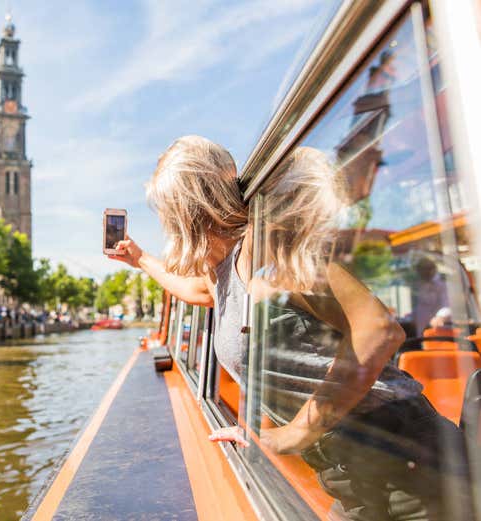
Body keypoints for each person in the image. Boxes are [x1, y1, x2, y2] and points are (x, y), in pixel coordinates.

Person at [110, 137, 470, 520]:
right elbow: (193, 291)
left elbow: (378, 329)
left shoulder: (267, 247)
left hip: (405, 459)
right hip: (351, 468)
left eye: (167, 210)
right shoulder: (222, 273)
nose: (167, 222)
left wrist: (295, 432)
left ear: (190, 208)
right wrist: (139, 258)